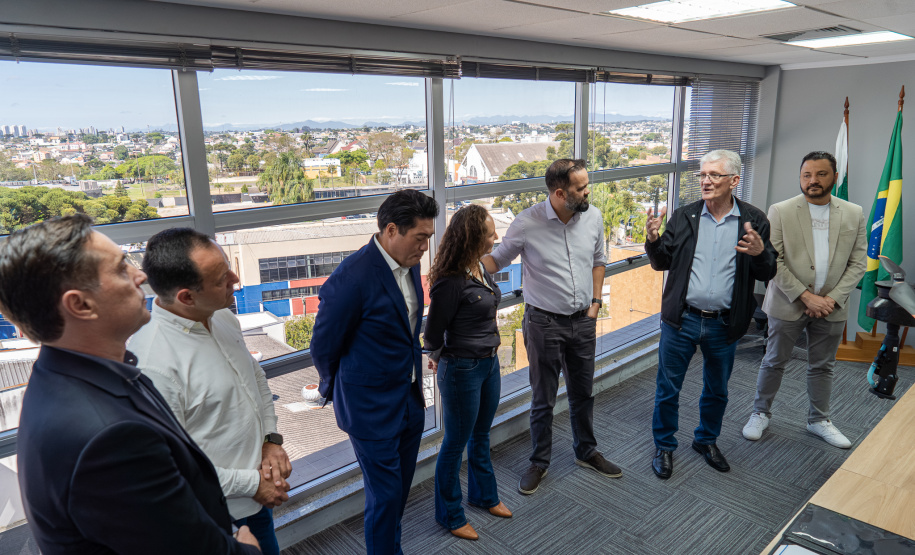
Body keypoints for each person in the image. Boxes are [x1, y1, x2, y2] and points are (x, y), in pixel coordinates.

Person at [0, 214, 260, 555]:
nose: (141, 276)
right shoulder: (108, 438)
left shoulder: (73, 374)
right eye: (122, 268)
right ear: (80, 304)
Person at [129, 228, 291, 555]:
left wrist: (271, 441)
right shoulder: (154, 365)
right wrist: (253, 484)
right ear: (187, 296)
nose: (235, 278)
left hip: (256, 498)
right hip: (214, 514)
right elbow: (173, 467)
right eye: (221, 279)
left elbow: (254, 377)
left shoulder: (220, 316)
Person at [311, 189, 439, 555]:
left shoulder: (410, 264)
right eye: (420, 238)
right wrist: (337, 388)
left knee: (397, 494)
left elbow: (408, 328)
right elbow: (323, 345)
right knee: (384, 497)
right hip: (369, 409)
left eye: (428, 238)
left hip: (409, 401)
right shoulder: (352, 277)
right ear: (391, 230)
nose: (425, 248)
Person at [483, 158, 621, 496]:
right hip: (543, 323)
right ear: (559, 193)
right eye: (580, 188)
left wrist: (595, 304)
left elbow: (599, 260)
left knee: (583, 393)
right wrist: (460, 262)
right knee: (543, 398)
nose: (588, 191)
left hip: (583, 322)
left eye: (587, 184)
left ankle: (586, 452)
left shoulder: (594, 217)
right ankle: (539, 462)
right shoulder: (527, 223)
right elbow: (496, 261)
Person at [645, 149, 777, 480]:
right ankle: (664, 446)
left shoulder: (754, 220)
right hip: (682, 320)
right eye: (702, 174)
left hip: (724, 323)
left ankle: (706, 441)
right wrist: (652, 240)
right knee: (668, 389)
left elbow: (768, 271)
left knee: (717, 389)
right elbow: (663, 262)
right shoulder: (685, 216)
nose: (705, 181)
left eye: (714, 175)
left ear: (734, 181)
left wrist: (760, 254)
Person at [743, 151, 867, 448]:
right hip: (789, 303)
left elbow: (859, 262)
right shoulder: (781, 210)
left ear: (835, 177)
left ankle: (818, 420)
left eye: (821, 174)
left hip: (832, 308)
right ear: (800, 178)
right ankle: (760, 412)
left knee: (823, 366)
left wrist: (832, 299)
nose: (813, 180)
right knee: (774, 361)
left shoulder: (853, 212)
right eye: (807, 175)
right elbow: (774, 261)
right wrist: (807, 297)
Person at [423, 205, 512, 541]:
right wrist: (438, 354)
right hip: (462, 369)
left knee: (481, 435)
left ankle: (485, 496)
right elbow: (432, 334)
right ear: (474, 237)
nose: (496, 237)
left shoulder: (478, 267)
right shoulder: (449, 282)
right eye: (490, 233)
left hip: (488, 363)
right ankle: (450, 515)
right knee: (455, 443)